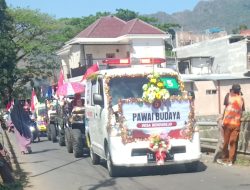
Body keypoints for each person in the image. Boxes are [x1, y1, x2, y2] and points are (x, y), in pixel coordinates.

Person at [217, 84, 245, 166]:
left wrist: (222, 118)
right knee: (233, 143)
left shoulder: (228, 96)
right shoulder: (241, 99)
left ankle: (225, 159)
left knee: (226, 142)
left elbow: (225, 109)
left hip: (228, 123)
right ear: (239, 91)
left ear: (232, 90)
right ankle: (230, 160)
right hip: (236, 124)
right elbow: (242, 111)